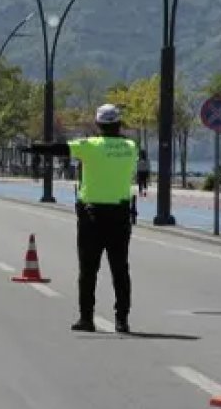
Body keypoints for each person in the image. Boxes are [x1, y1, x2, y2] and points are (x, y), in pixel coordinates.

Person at [22, 104, 138, 334]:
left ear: (98, 124)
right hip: (120, 216)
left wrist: (32, 148)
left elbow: (58, 149)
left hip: (91, 216)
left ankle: (87, 318)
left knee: (88, 270)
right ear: (119, 124)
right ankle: (122, 320)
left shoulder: (90, 146)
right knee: (120, 269)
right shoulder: (131, 147)